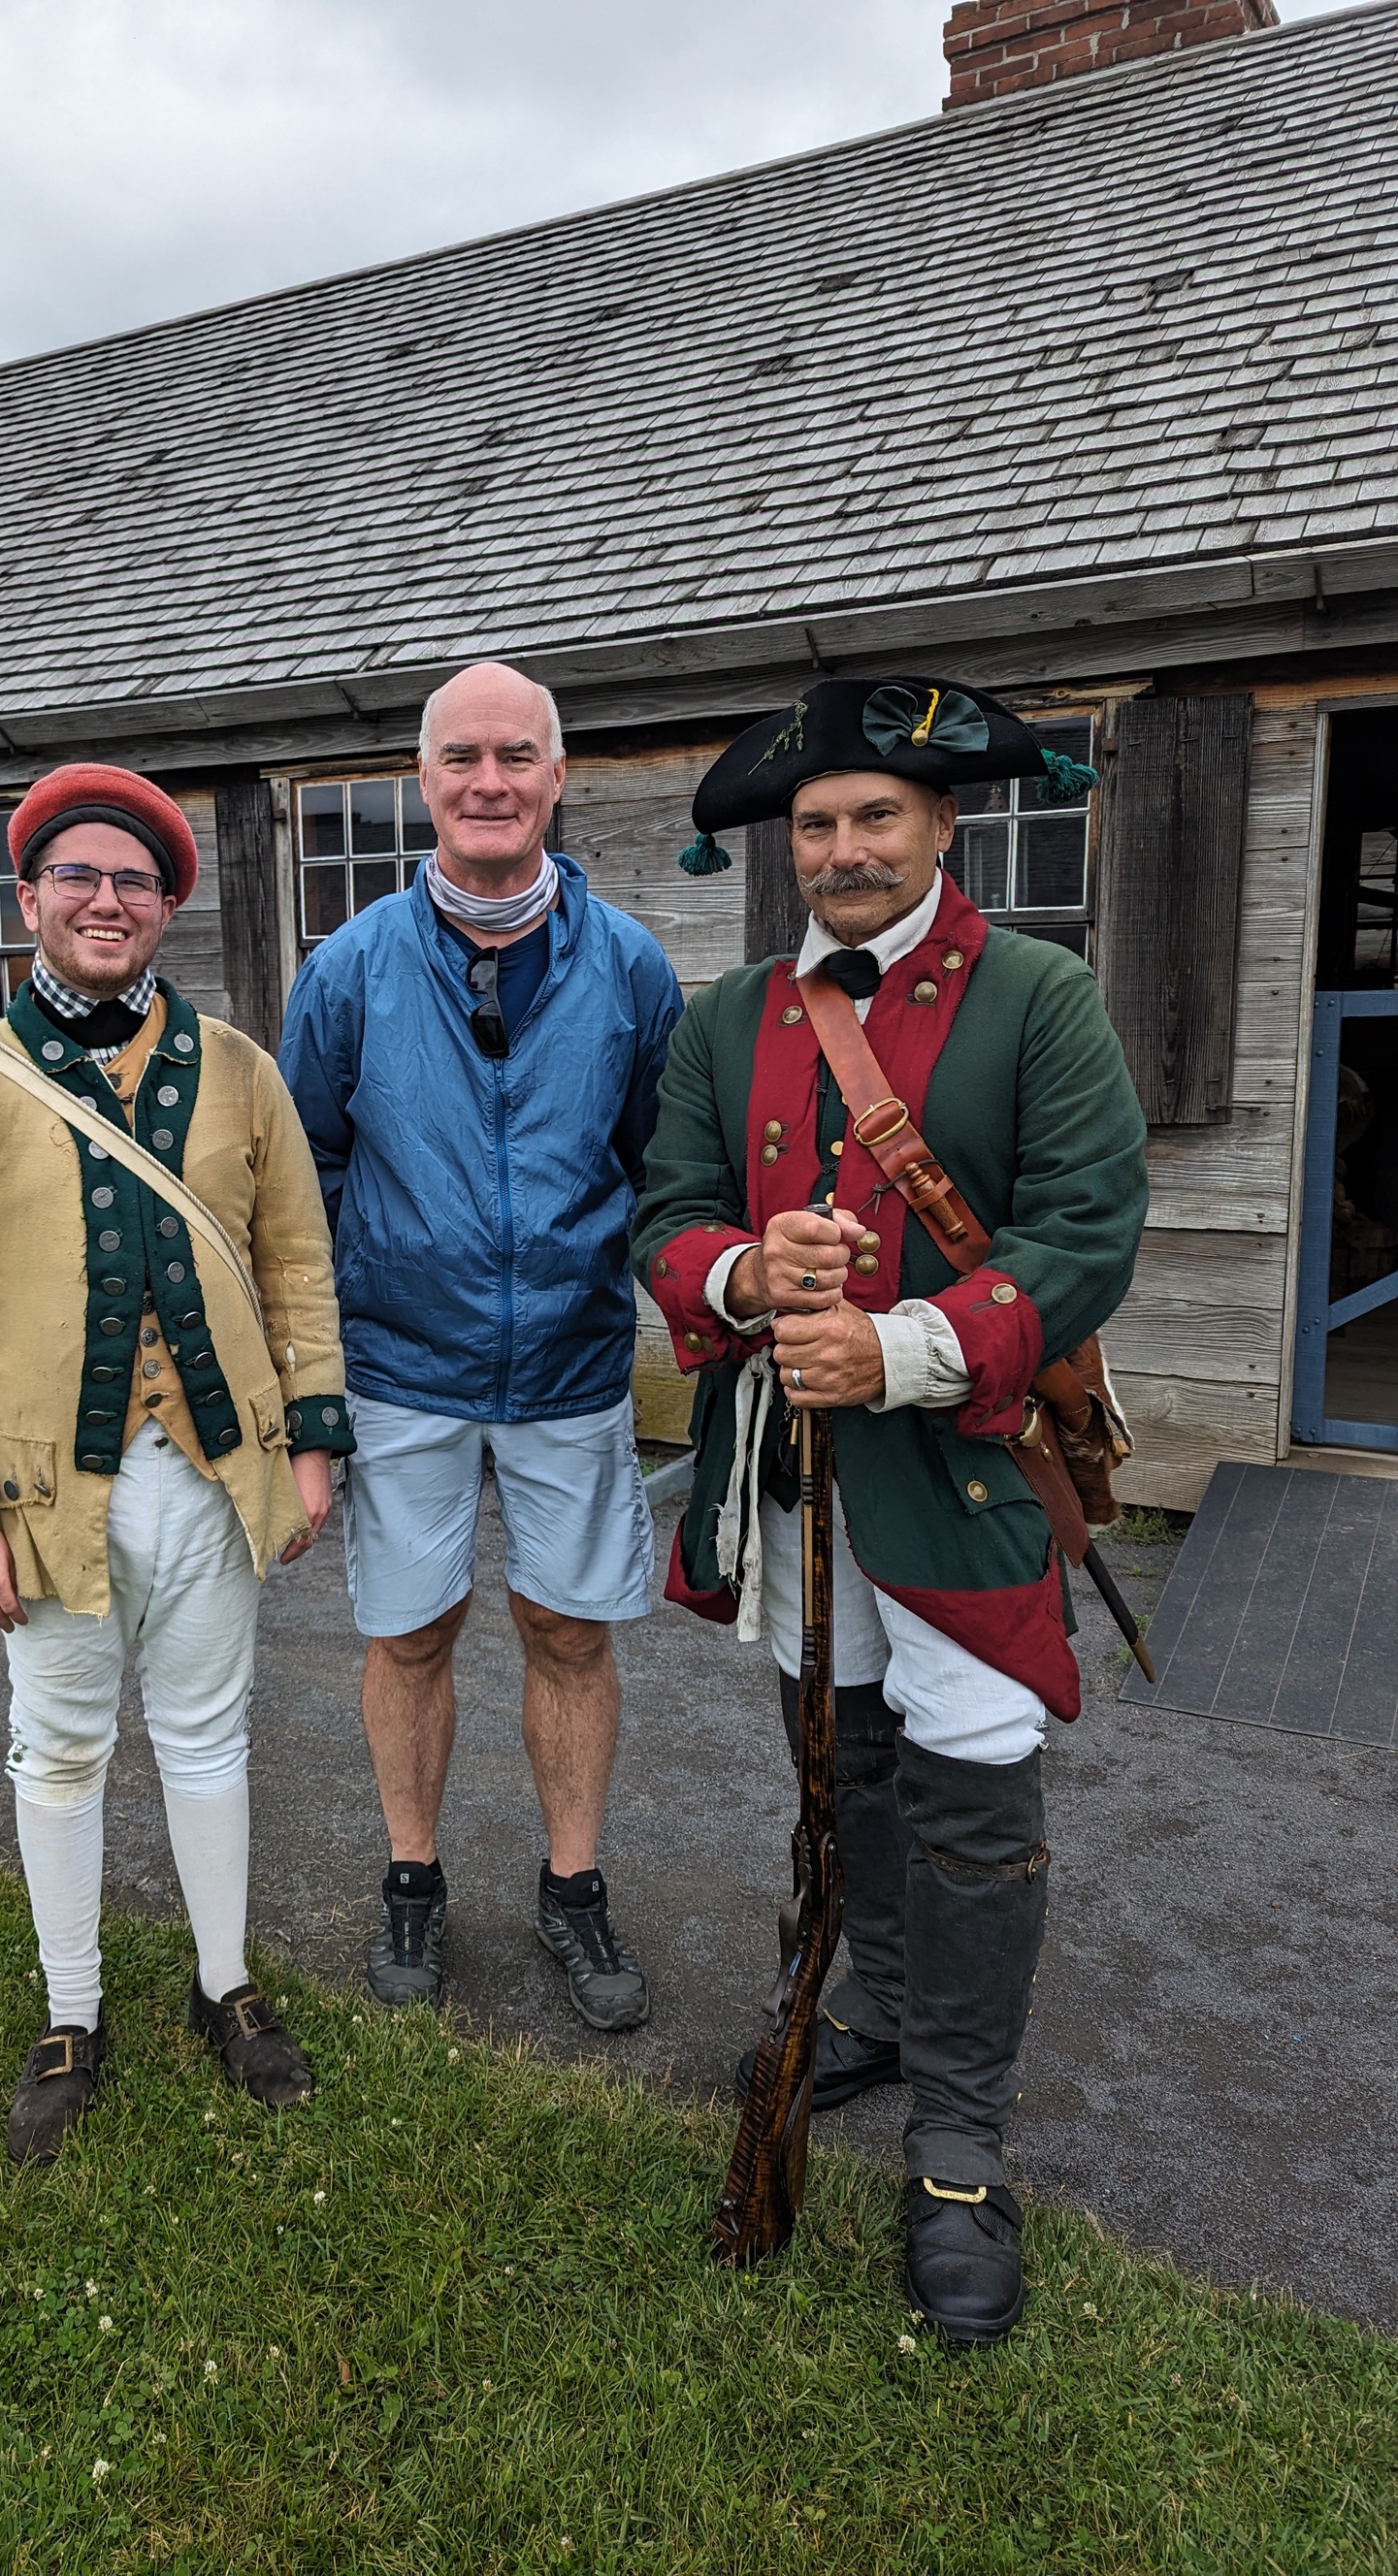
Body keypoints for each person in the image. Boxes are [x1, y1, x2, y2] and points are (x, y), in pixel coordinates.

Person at [634, 678, 1146, 2343]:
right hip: (793, 1474)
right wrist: (745, 1269)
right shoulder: (729, 1018)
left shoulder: (1039, 994)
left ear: (940, 825)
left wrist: (904, 1346)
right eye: (816, 824)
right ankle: (884, 2007)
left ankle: (961, 2151)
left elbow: (1085, 1234)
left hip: (964, 1466)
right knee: (843, 1755)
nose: (844, 849)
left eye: (876, 817)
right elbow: (669, 1214)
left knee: (973, 1796)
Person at [0, 763, 354, 2161]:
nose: (105, 900)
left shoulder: (243, 1071)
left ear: (166, 906)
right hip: (45, 1495)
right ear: (29, 898)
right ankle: (72, 2010)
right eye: (76, 875)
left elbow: (298, 1265)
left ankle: (224, 1984)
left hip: (215, 1473)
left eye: (133, 880)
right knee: (62, 1747)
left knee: (209, 1734)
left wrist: (312, 1443)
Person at [278, 661, 683, 2030]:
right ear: (425, 779)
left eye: (517, 755)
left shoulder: (628, 967)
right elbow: (304, 1178)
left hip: (571, 1364)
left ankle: (573, 1887)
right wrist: (322, 1364)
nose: (489, 781)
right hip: (404, 1367)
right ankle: (413, 1877)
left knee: (568, 1629)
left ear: (559, 778)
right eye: (462, 757)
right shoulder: (348, 970)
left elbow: (662, 1168)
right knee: (411, 1632)